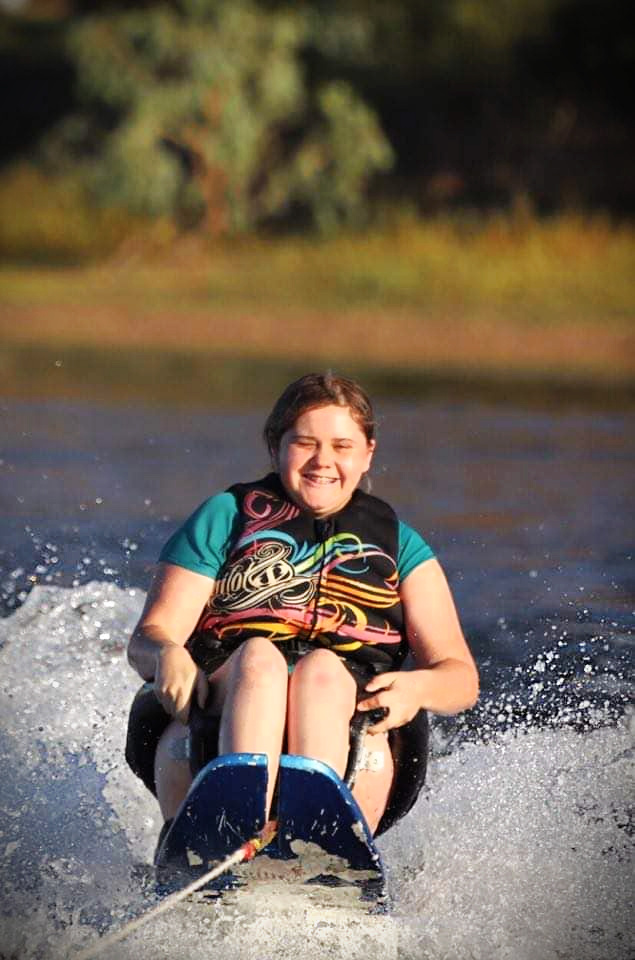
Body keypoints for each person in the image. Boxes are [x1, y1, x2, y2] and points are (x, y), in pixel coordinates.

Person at [126, 373, 478, 843]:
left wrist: (418, 688)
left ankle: (315, 830)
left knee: (321, 671)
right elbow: (149, 637)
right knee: (261, 658)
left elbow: (461, 679)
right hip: (226, 696)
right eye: (306, 444)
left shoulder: (401, 546)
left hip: (347, 712)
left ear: (368, 452)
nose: (323, 462)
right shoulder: (224, 517)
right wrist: (166, 654)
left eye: (342, 446)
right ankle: (235, 816)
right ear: (276, 447)